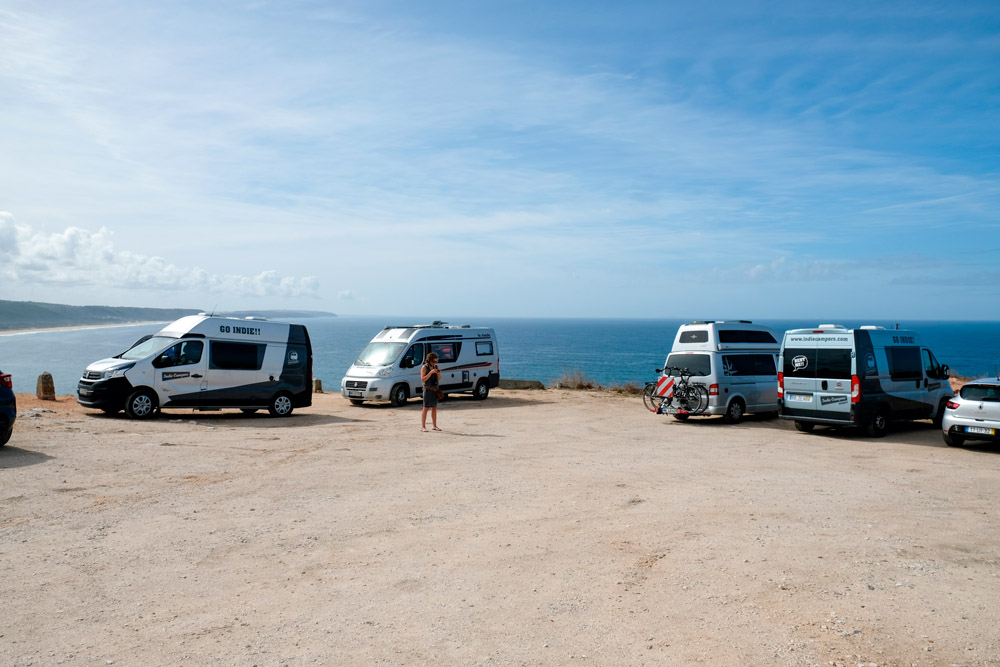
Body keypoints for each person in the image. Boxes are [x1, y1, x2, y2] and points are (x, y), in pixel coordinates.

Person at [420, 352, 442, 432]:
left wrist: (438, 373)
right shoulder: (424, 367)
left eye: (436, 361)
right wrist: (430, 372)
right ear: (429, 360)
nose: (435, 363)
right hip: (428, 389)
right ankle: (423, 427)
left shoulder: (436, 367)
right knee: (425, 408)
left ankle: (435, 426)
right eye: (433, 361)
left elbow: (439, 379)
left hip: (435, 390)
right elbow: (423, 379)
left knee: (434, 408)